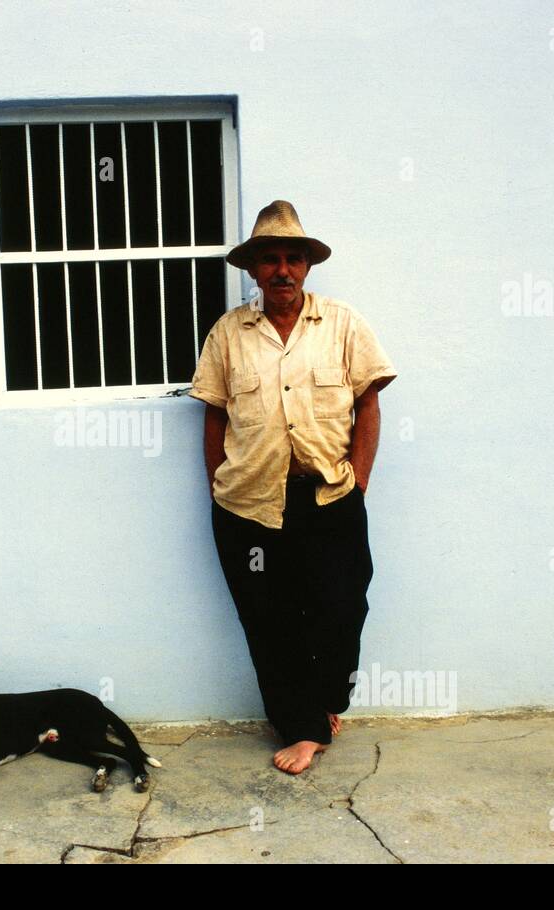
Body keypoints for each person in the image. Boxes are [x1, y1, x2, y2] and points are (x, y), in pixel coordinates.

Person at [190, 200, 397, 774]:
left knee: (342, 606)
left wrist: (359, 482)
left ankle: (326, 701)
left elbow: (369, 402)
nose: (282, 269)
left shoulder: (343, 323)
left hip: (330, 497)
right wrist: (217, 486)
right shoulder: (229, 335)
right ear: (253, 270)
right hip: (248, 505)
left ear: (307, 266)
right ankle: (305, 728)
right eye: (271, 259)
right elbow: (214, 415)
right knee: (269, 620)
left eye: (293, 258)